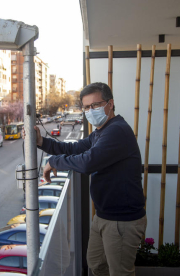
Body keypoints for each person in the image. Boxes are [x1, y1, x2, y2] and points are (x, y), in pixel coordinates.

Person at [34, 82, 146, 276]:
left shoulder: (117, 130)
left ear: (110, 104)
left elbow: (88, 162)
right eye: (86, 107)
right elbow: (74, 149)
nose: (90, 110)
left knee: (120, 272)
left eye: (95, 105)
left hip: (121, 220)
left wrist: (54, 162)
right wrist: (43, 143)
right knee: (96, 264)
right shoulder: (100, 132)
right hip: (104, 215)